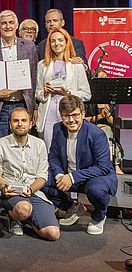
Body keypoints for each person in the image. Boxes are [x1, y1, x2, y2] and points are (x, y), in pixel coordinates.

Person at [46, 95, 117, 235]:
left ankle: (98, 217)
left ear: (83, 114)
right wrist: (60, 175)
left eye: (75, 115)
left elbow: (102, 167)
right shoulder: (57, 128)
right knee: (40, 179)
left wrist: (72, 177)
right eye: (66, 116)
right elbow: (53, 157)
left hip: (95, 176)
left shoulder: (96, 134)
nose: (71, 120)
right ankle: (72, 206)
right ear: (61, 115)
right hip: (68, 174)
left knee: (96, 190)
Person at [0, 107, 60, 240]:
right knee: (23, 208)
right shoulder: (0, 144)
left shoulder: (39, 144)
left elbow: (42, 176)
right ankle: (15, 216)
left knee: (53, 234)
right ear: (10, 124)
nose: (20, 124)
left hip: (34, 192)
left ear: (30, 123)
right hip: (11, 193)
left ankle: (26, 219)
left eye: (24, 120)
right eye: (16, 120)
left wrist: (31, 189)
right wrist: (3, 188)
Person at [0, 10, 39, 141]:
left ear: (17, 26)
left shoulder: (29, 46)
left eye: (11, 23)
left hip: (22, 104)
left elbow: (35, 78)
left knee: (20, 147)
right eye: (4, 23)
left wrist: (34, 107)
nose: (8, 26)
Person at [35, 28, 91, 150]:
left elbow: (87, 94)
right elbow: (37, 93)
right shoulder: (42, 65)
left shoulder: (76, 65)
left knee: (70, 148)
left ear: (67, 42)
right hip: (48, 111)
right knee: (49, 148)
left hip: (70, 111)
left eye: (60, 40)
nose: (56, 44)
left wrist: (69, 93)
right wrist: (44, 91)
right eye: (53, 41)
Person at [85, 69, 125, 174]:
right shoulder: (88, 98)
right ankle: (111, 165)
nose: (104, 81)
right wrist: (99, 116)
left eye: (105, 78)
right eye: (101, 78)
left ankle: (113, 163)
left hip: (107, 130)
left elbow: (114, 123)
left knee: (107, 130)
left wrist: (107, 115)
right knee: (102, 131)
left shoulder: (112, 99)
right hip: (90, 128)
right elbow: (83, 119)